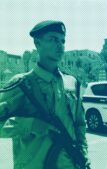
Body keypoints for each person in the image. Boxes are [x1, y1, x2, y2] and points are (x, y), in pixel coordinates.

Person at [0, 21, 90, 169]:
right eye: (53, 39)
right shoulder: (22, 84)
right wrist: (30, 124)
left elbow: (79, 123)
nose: (59, 45)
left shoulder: (72, 83)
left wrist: (83, 153)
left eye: (62, 41)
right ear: (37, 43)